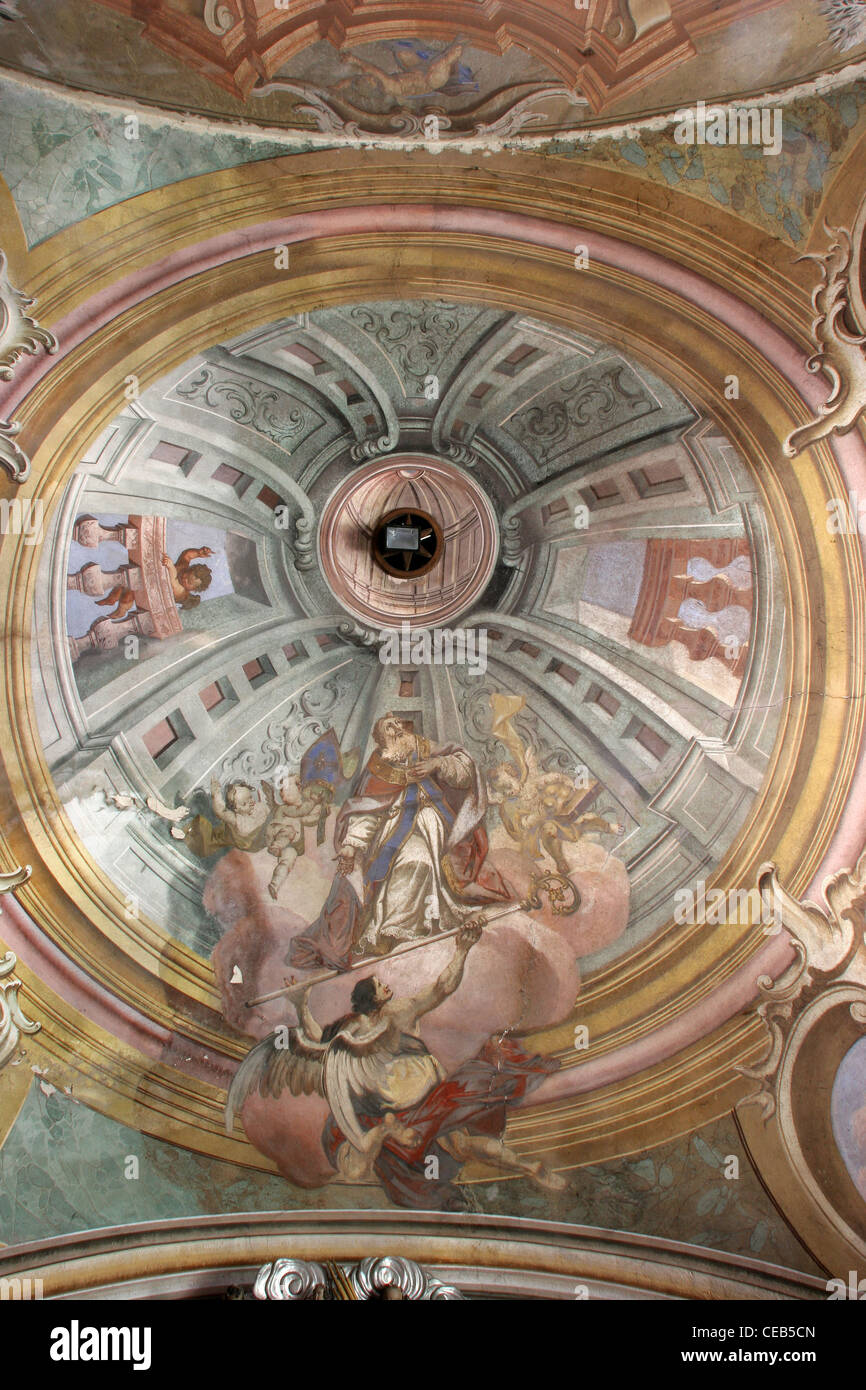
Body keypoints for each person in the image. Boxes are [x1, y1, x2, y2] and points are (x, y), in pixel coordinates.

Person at [227, 924, 565, 1208]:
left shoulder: (382, 1019)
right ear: (371, 1000)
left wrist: (463, 949)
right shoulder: (356, 1029)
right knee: (457, 1143)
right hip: (403, 1109)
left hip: (420, 1103)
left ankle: (528, 1165)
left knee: (458, 1143)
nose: (387, 986)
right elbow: (321, 1046)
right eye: (380, 986)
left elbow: (441, 989)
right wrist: (302, 1006)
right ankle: (527, 1165)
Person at [288, 714, 509, 969]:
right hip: (392, 833)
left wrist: (437, 763)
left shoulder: (424, 748)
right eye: (389, 730)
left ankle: (413, 924)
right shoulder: (379, 767)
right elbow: (364, 810)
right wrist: (351, 844)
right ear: (382, 740)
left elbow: (464, 771)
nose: (397, 730)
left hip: (433, 829)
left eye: (397, 726)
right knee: (412, 863)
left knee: (423, 861)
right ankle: (394, 929)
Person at [172, 777, 269, 857]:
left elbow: (220, 811)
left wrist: (216, 792)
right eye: (245, 802)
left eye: (250, 798)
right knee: (205, 804)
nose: (251, 803)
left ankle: (184, 825)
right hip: (234, 836)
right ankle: (186, 811)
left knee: (203, 814)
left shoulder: (241, 823)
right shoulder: (259, 809)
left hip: (217, 837)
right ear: (236, 810)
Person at [161, 546, 214, 610]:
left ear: (193, 589)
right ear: (189, 569)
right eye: (187, 575)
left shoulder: (181, 593)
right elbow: (187, 555)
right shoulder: (183, 569)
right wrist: (198, 553)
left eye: (189, 582)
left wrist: (171, 567)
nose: (184, 579)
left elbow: (173, 582)